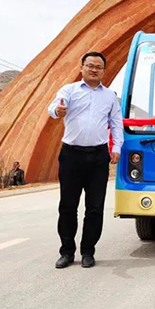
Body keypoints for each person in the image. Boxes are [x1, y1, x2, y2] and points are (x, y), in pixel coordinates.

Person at [47, 51, 123, 269]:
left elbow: (116, 123)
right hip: (71, 155)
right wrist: (58, 111)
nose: (94, 70)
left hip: (98, 157)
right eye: (90, 65)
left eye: (98, 67)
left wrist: (116, 147)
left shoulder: (109, 96)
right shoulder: (69, 90)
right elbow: (53, 108)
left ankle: (88, 251)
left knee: (95, 207)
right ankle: (67, 252)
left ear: (104, 71)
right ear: (82, 68)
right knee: (68, 206)